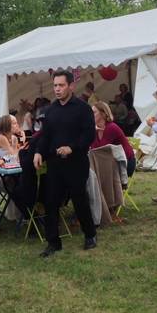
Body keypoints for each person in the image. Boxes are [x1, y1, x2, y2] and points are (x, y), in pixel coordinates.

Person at [34, 70, 98, 258]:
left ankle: (90, 235)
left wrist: (72, 147)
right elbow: (45, 136)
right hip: (55, 164)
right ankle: (53, 242)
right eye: (55, 85)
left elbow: (89, 135)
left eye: (61, 85)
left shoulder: (83, 108)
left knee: (79, 199)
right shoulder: (51, 111)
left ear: (71, 86)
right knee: (51, 202)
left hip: (76, 162)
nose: (57, 89)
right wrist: (38, 151)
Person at [91, 101, 136, 178]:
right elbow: (93, 148)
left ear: (103, 114)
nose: (91, 115)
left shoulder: (111, 127)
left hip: (125, 163)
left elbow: (100, 149)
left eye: (94, 112)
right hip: (112, 161)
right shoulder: (96, 128)